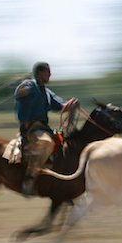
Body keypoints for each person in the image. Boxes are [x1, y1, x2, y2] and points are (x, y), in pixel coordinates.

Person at [14, 61, 76, 196]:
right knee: (47, 142)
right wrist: (22, 87)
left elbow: (61, 106)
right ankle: (29, 179)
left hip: (43, 127)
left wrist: (70, 104)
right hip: (31, 128)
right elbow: (19, 94)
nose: (50, 75)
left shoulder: (47, 93)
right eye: (48, 72)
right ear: (40, 73)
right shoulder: (28, 85)